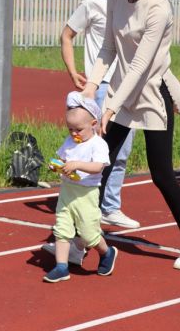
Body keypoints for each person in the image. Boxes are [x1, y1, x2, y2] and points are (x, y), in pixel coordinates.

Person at [83, 0, 180, 270]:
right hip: (121, 93)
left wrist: (108, 108)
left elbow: (140, 64)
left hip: (152, 95)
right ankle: (83, 238)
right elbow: (108, 48)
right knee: (100, 166)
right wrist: (92, 87)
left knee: (162, 174)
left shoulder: (159, 7)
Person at [59, 0, 139, 229]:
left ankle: (110, 206)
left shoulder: (135, 4)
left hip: (127, 88)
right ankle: (86, 202)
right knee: (94, 148)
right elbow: (67, 35)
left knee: (121, 152)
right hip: (101, 87)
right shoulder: (93, 3)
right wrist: (74, 73)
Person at [43, 91, 117, 283]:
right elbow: (61, 157)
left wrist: (77, 164)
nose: (74, 134)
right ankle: (61, 267)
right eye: (70, 130)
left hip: (86, 194)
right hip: (67, 191)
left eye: (79, 130)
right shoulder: (70, 141)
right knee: (61, 228)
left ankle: (107, 252)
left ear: (93, 125)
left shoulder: (97, 144)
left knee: (89, 233)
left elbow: (98, 166)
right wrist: (55, 164)